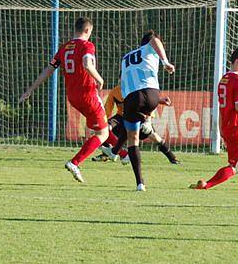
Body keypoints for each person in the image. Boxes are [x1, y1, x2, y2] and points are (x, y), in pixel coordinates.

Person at [19, 17, 120, 183]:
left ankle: (121, 154)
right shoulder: (87, 45)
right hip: (88, 94)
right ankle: (75, 162)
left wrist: (30, 89)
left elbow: (49, 70)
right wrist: (100, 79)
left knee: (101, 129)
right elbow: (87, 63)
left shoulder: (64, 47)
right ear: (87, 31)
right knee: (102, 133)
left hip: (72, 97)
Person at [190, 47, 238, 191]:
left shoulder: (224, 80)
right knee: (236, 165)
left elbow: (222, 106)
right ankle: (209, 184)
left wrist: (221, 128)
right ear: (237, 62)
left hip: (228, 126)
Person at [120, 30, 175, 191]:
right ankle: (147, 121)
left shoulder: (125, 58)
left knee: (132, 138)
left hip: (131, 98)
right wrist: (165, 62)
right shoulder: (149, 47)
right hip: (152, 95)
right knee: (141, 124)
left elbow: (123, 81)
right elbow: (155, 41)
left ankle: (140, 183)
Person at [92, 83, 180, 165]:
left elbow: (150, 104)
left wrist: (148, 121)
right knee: (104, 129)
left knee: (154, 137)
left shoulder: (137, 90)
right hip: (120, 117)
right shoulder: (115, 92)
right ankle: (107, 153)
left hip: (137, 117)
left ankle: (172, 158)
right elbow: (107, 110)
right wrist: (100, 122)